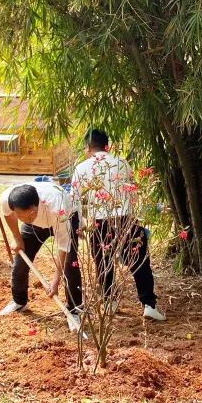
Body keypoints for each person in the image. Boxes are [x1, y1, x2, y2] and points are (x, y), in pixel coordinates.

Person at [71, 129, 165, 321]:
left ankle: (109, 302)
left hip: (100, 223)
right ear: (107, 146)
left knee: (103, 264)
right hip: (127, 219)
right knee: (139, 263)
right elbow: (133, 193)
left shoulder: (82, 168)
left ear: (88, 147)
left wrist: (79, 223)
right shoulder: (123, 163)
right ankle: (148, 304)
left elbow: (74, 200)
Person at [0, 182, 83, 328]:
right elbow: (7, 214)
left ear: (37, 205)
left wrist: (55, 281)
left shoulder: (57, 206)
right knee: (21, 261)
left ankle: (74, 310)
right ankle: (19, 301)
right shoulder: (7, 198)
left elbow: (63, 246)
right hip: (36, 226)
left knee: (70, 263)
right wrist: (17, 238)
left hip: (65, 218)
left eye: (31, 214)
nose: (28, 218)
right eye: (21, 217)